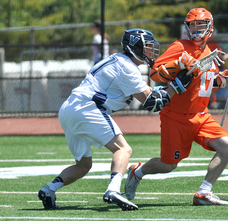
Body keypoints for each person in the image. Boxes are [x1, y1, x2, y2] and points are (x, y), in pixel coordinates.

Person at [38, 29, 193, 211]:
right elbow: (153, 104)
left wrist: (170, 86)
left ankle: (49, 189)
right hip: (88, 107)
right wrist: (176, 86)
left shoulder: (119, 61)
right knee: (123, 149)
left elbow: (150, 94)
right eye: (148, 48)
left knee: (83, 165)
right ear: (135, 47)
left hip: (69, 109)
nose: (151, 53)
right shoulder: (127, 67)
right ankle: (113, 190)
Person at [125, 8, 228, 206]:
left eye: (200, 24)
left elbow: (204, 84)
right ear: (187, 27)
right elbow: (155, 73)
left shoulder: (208, 52)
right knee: (168, 165)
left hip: (201, 115)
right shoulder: (180, 46)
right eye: (193, 24)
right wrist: (180, 64)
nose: (196, 29)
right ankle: (137, 172)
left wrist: (224, 78)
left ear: (210, 26)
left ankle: (203, 193)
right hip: (176, 116)